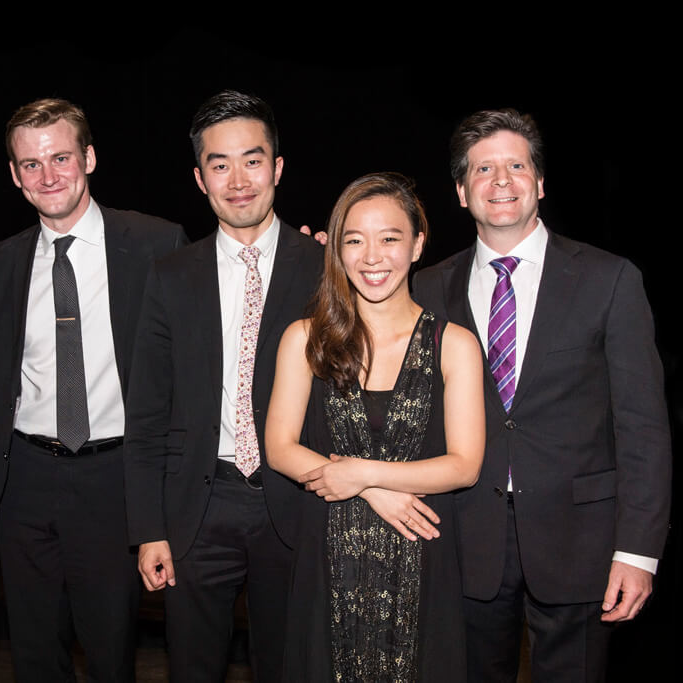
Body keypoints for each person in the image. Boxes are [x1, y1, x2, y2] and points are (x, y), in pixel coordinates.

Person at [413, 109, 672, 681]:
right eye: (483, 169)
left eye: (516, 166)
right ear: (462, 192)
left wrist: (637, 552)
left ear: (540, 182)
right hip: (463, 539)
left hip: (582, 542)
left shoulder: (609, 280)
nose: (501, 181)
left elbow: (643, 428)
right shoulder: (426, 289)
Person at [0, 98, 187, 682]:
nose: (47, 176)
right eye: (31, 164)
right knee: (32, 652)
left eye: (61, 158)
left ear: (89, 158)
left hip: (113, 478)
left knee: (110, 649)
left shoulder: (155, 244)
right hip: (25, 479)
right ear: (15, 175)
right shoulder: (3, 261)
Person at [123, 90, 324, 682]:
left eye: (252, 160)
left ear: (277, 168)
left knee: (291, 667)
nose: (238, 181)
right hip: (198, 507)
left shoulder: (326, 268)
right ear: (199, 178)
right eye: (219, 164)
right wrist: (149, 531)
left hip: (297, 503)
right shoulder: (170, 276)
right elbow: (148, 413)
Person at [264, 172, 485, 681]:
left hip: (422, 558)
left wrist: (364, 474)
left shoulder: (453, 344)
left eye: (389, 239)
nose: (371, 257)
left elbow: (465, 466)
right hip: (327, 560)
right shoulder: (305, 338)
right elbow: (279, 447)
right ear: (337, 250)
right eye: (354, 241)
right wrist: (373, 491)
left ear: (417, 246)